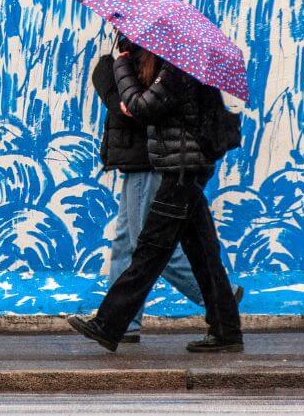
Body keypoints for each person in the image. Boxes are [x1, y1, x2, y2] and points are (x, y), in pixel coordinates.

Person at [68, 46, 244, 353]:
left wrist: (119, 68)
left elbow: (140, 106)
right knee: (203, 252)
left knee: (149, 250)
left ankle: (109, 324)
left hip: (180, 171)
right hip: (184, 169)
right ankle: (226, 328)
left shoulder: (176, 70)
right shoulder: (180, 67)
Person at [93, 38, 208, 343]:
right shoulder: (135, 61)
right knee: (123, 245)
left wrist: (113, 75)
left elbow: (133, 110)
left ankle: (216, 298)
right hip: (133, 161)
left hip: (146, 161)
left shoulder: (157, 65)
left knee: (149, 245)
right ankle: (124, 324)